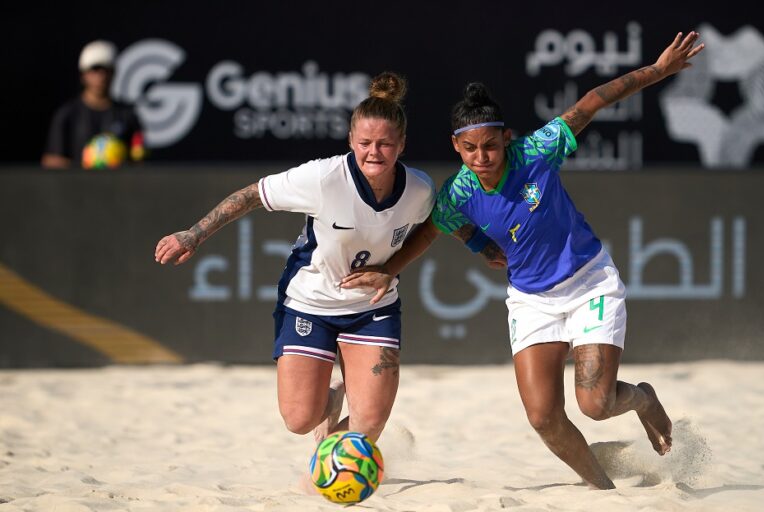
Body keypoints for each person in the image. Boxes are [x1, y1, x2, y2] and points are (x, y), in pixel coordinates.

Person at [341, 32, 705, 489]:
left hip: (588, 282)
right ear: (456, 146)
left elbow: (591, 102)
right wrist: (477, 248)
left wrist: (658, 71)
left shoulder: (536, 153)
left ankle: (643, 400)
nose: (481, 157)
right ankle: (605, 493)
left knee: (596, 405)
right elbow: (435, 229)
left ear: (506, 138)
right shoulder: (458, 192)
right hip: (531, 300)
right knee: (544, 418)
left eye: (489, 146)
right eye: (470, 149)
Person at [154, 72, 437, 444]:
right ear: (350, 140)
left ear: (402, 144)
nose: (374, 152)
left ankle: (326, 474)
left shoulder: (418, 189)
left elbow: (435, 225)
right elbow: (252, 195)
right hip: (311, 302)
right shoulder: (323, 178)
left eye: (385, 144)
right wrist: (193, 234)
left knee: (368, 426)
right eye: (365, 142)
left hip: (373, 307)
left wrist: (391, 270)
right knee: (300, 420)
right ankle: (333, 395)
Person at [42, 40, 144, 169]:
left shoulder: (128, 115)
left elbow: (139, 160)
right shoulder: (67, 114)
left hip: (117, 187)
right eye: (95, 70)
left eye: (106, 70)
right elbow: (51, 160)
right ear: (83, 74)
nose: (101, 76)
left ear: (114, 73)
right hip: (76, 186)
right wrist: (87, 167)